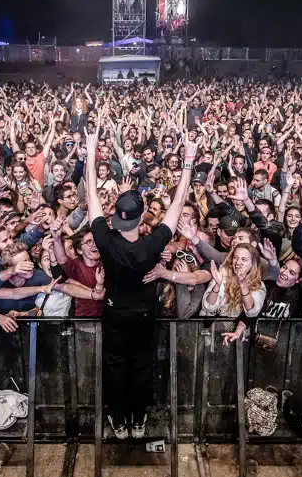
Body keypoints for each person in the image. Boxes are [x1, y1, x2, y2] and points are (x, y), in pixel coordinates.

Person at [85, 120, 195, 439]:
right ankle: (137, 421)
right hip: (145, 313)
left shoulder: (105, 239)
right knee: (143, 365)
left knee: (116, 366)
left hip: (114, 311)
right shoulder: (151, 245)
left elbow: (92, 195)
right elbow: (176, 204)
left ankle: (119, 422)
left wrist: (91, 152)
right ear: (142, 212)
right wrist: (187, 160)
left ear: (117, 216)